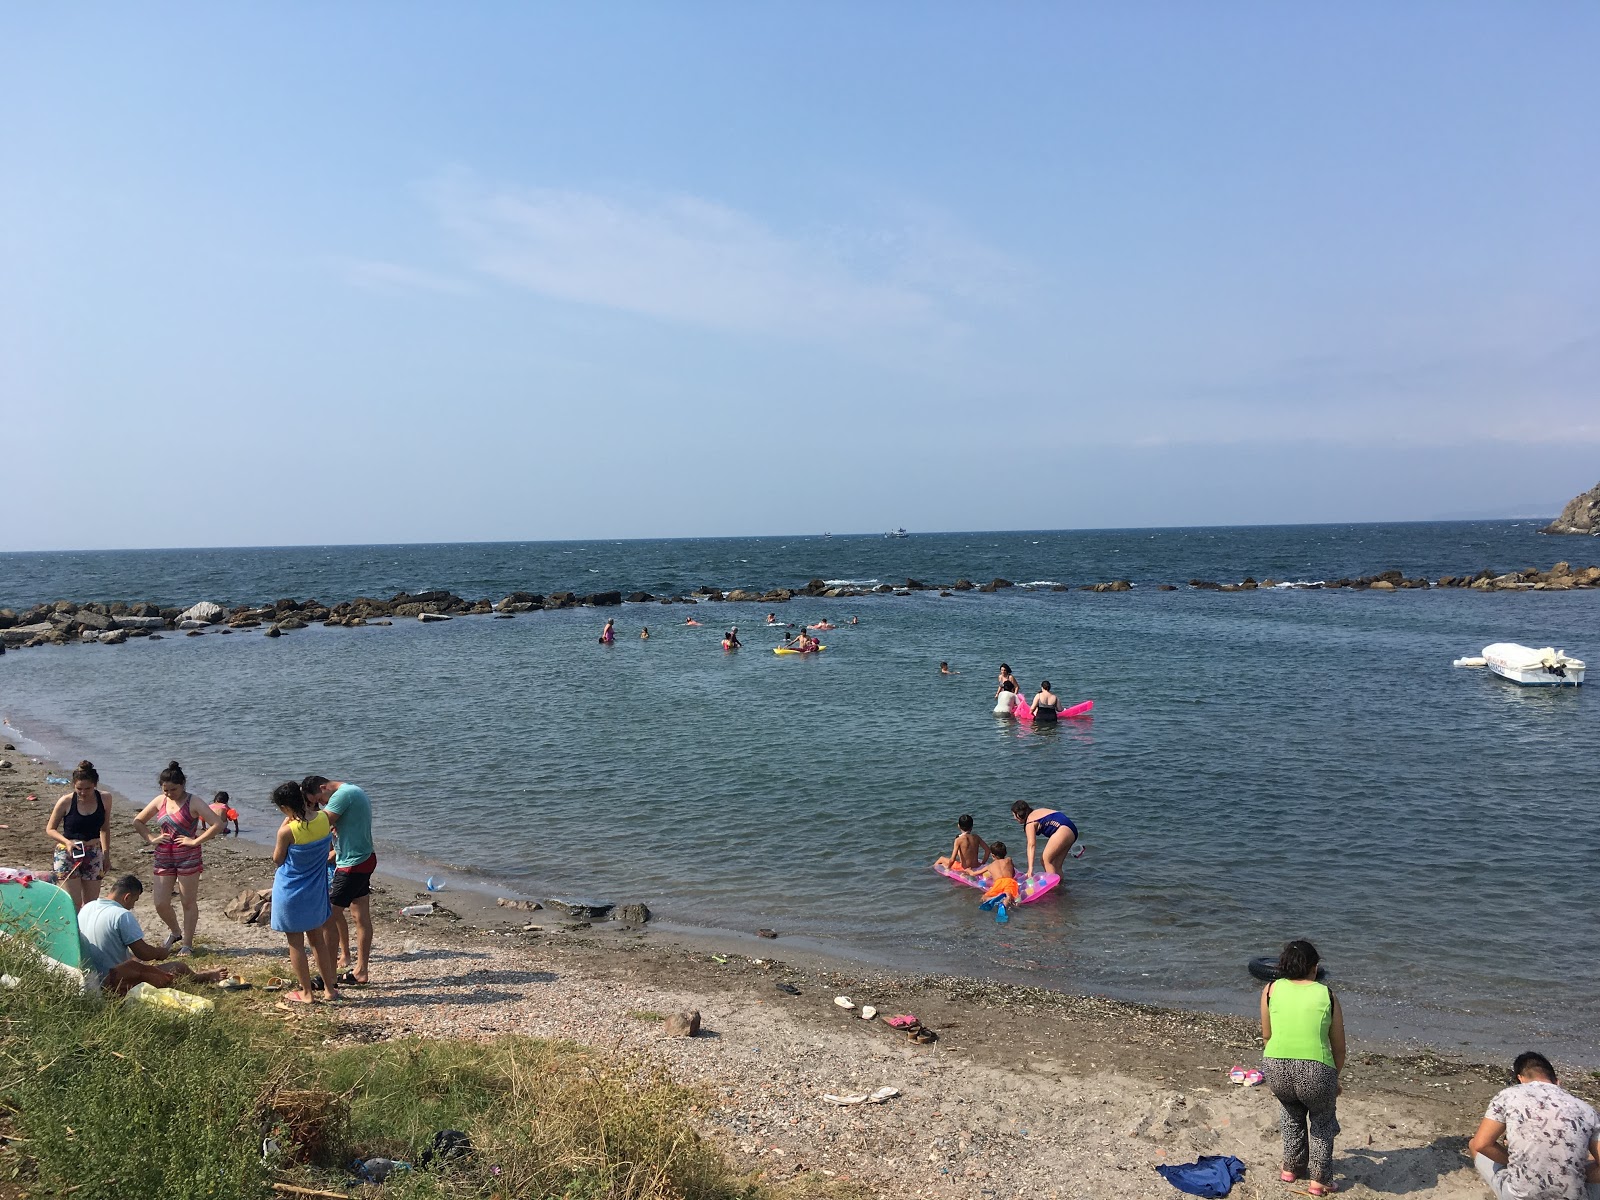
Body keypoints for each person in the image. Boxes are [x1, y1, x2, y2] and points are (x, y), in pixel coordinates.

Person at [1260, 939, 1347, 1196]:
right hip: (1316, 1069)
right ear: (1315, 967)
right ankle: (1319, 1181)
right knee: (1321, 1121)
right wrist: (1334, 1079)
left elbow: (1267, 1036)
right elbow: (1339, 1048)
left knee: (1290, 1113)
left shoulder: (1270, 990)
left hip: (1275, 1065)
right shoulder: (1326, 994)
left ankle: (1291, 1168)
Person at [1468, 1050, 1600, 1200]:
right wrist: (1580, 1174)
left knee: (1474, 1144)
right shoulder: (1586, 1110)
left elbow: (1482, 1144)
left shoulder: (1508, 1095)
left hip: (1522, 1196)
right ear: (1557, 1082)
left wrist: (1515, 1162)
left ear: (1520, 1078)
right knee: (1588, 1159)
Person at [130, 761, 223, 955]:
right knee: (160, 903)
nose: (169, 793)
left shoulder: (193, 801)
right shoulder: (160, 801)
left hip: (188, 856)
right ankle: (175, 932)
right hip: (163, 856)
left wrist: (196, 841)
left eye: (173, 789)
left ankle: (187, 944)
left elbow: (217, 824)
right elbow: (138, 821)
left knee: (187, 902)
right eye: (165, 790)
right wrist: (151, 838)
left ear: (183, 785)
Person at [77, 874, 225, 993]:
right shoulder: (121, 915)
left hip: (88, 976)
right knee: (178, 967)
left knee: (134, 960)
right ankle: (205, 976)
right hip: (113, 981)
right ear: (127, 897)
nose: (133, 906)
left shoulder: (88, 906)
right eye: (134, 901)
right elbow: (144, 954)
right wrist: (160, 952)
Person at [269, 781, 342, 1003]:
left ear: (284, 808)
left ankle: (307, 993)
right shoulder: (323, 819)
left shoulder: (287, 831)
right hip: (315, 889)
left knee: (295, 944)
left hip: (291, 890)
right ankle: (329, 989)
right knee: (317, 940)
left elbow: (277, 859)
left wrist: (284, 824)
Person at [304, 774, 376, 986]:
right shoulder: (353, 791)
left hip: (352, 864)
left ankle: (328, 977)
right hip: (363, 858)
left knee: (328, 917)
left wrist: (293, 817)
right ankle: (361, 971)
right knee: (359, 915)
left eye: (318, 800)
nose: (320, 805)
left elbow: (319, 824)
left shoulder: (343, 794)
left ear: (324, 787)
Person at [44, 759, 112, 910]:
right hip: (68, 852)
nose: (83, 793)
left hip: (93, 852)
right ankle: (73, 932)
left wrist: (106, 855)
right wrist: (66, 842)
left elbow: (105, 828)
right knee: (73, 903)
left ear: (95, 784)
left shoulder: (105, 799)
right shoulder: (66, 801)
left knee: (91, 905)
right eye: (79, 788)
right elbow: (50, 829)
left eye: (87, 789)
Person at [1010, 801, 1079, 877]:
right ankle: (1061, 886)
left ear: (1019, 814)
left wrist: (1030, 869)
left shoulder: (1030, 822)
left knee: (1045, 860)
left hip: (1062, 829)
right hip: (1072, 830)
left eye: (1014, 815)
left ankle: (1054, 887)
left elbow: (1031, 845)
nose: (1014, 818)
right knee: (1056, 865)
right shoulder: (1037, 812)